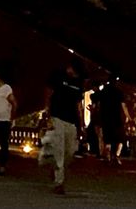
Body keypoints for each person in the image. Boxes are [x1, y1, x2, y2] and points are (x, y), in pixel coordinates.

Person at [46, 57, 84, 196]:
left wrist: (82, 124)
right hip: (58, 117)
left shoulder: (79, 83)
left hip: (72, 120)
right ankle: (59, 182)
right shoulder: (58, 76)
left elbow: (79, 104)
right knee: (59, 150)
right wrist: (47, 113)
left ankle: (56, 169)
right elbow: (49, 93)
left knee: (70, 151)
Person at [95, 76, 128, 164]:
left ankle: (109, 156)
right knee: (120, 138)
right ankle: (116, 155)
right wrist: (128, 116)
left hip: (106, 118)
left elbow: (94, 98)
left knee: (108, 139)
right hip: (116, 118)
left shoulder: (104, 91)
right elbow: (123, 105)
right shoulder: (119, 92)